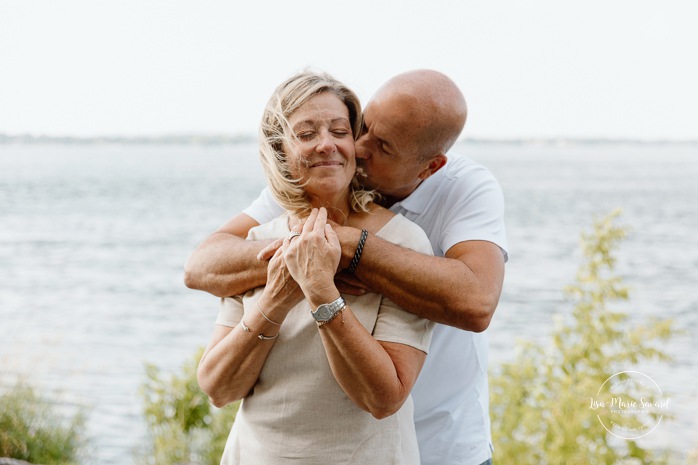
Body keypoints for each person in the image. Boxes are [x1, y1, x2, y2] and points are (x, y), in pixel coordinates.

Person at [186, 69, 508, 465]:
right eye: (362, 127)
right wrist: (297, 256)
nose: (356, 145)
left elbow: (476, 302)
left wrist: (345, 249)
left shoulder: (459, 192)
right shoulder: (305, 189)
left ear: (429, 168)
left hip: (439, 439)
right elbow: (201, 267)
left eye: (382, 145)